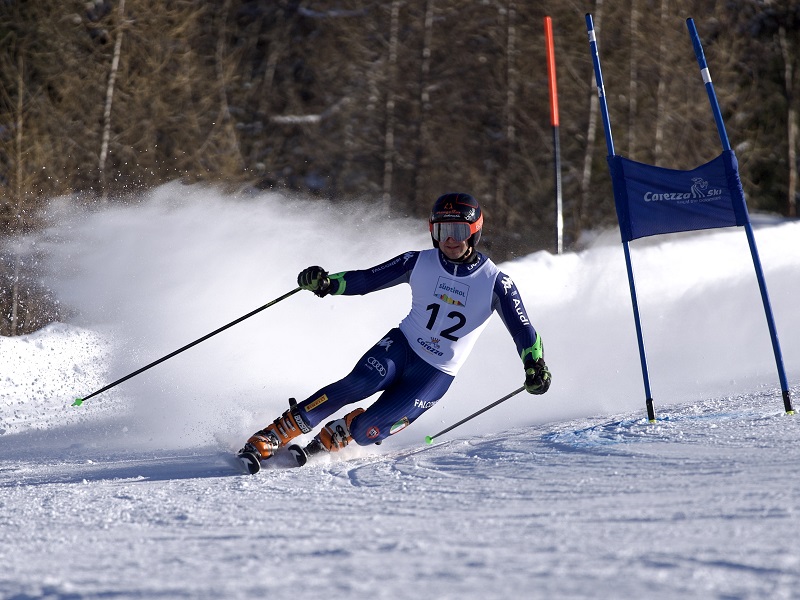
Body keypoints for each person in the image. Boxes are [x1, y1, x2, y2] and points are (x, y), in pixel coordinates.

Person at [239, 192, 551, 469]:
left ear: (474, 232)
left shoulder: (496, 282)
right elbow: (367, 279)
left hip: (436, 373)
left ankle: (344, 430)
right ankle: (274, 434)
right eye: (442, 231)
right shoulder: (418, 261)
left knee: (368, 430)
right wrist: (328, 283)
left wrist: (535, 365)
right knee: (358, 384)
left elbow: (523, 329)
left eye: (458, 231)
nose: (450, 240)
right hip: (401, 347)